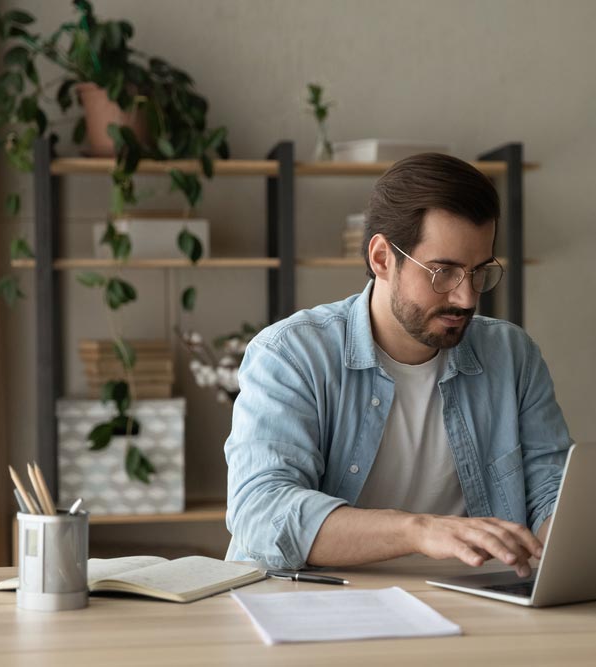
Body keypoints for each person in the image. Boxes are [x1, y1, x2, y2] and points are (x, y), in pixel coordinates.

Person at [224, 153, 572, 578]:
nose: (467, 298)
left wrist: (574, 537)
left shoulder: (513, 356)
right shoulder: (291, 355)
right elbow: (262, 514)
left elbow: (551, 494)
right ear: (382, 258)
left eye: (479, 272)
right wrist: (419, 532)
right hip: (320, 608)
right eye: (443, 272)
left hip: (481, 608)